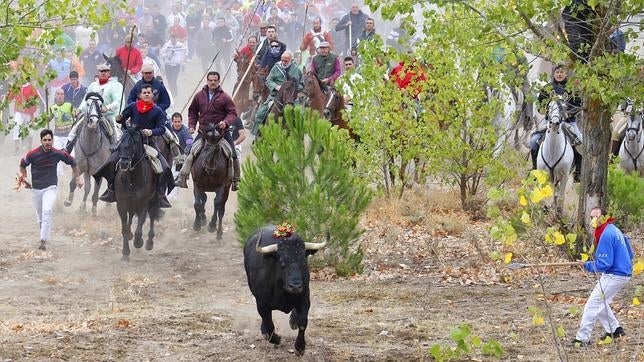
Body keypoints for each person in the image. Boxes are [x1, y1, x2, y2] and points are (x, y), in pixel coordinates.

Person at [96, 84, 174, 208]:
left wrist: (151, 131)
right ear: (140, 95)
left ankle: (160, 195)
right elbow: (122, 119)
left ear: (152, 95)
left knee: (164, 167)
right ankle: (111, 189)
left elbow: (162, 129)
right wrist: (119, 118)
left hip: (149, 142)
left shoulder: (157, 111)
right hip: (130, 140)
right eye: (144, 92)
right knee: (112, 160)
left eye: (149, 92)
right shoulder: (133, 106)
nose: (147, 94)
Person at [572, 207, 633, 347]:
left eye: (597, 216)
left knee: (592, 304)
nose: (594, 219)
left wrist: (586, 265)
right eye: (591, 217)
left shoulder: (606, 234)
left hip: (616, 274)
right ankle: (615, 330)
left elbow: (604, 264)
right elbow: (629, 252)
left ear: (604, 217)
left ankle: (582, 339)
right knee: (600, 303)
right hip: (620, 272)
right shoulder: (613, 229)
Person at [19, 129, 83, 251]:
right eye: (45, 140)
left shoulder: (57, 153)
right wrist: (24, 178)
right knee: (41, 216)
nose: (48, 142)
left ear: (52, 140)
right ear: (41, 141)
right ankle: (45, 236)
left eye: (49, 140)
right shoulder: (33, 154)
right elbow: (22, 163)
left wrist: (78, 178)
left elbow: (73, 162)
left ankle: (43, 241)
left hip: (51, 188)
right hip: (36, 189)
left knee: (47, 211)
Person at [174, 71, 240, 191]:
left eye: (215, 80)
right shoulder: (199, 95)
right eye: (210, 80)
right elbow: (192, 111)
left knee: (233, 153)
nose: (213, 82)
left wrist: (225, 122)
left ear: (219, 81)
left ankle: (236, 179)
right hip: (204, 132)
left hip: (221, 133)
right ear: (207, 81)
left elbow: (232, 113)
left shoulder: (225, 97)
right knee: (190, 151)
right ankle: (182, 176)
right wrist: (192, 125)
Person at [529, 64, 583, 182]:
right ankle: (535, 169)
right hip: (550, 122)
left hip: (569, 123)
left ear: (565, 74)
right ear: (553, 74)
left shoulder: (572, 89)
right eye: (557, 72)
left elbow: (579, 106)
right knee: (533, 141)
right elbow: (539, 105)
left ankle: (578, 172)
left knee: (581, 143)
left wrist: (569, 113)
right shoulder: (547, 88)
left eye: (561, 72)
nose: (559, 74)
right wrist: (542, 110)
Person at [66, 63, 122, 152]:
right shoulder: (93, 85)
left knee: (115, 132)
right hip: (91, 114)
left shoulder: (114, 86)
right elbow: (85, 100)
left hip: (108, 115)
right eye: (101, 71)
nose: (103, 73)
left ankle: (116, 150)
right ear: (98, 73)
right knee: (76, 127)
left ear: (109, 73)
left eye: (106, 71)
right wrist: (79, 109)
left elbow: (117, 101)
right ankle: (68, 147)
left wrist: (107, 108)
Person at [253, 51, 304, 135]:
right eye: (282, 60)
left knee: (301, 115)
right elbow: (268, 80)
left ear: (291, 60)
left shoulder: (297, 70)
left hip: (291, 98)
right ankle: (258, 136)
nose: (284, 62)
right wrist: (277, 87)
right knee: (260, 114)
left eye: (286, 61)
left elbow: (302, 84)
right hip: (275, 97)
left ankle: (300, 139)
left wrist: (292, 89)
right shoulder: (276, 68)